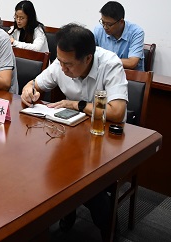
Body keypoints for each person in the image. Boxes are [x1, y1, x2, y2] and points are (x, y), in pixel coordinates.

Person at [20, 23, 128, 239]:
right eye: (60, 62)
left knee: (91, 186)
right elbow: (34, 84)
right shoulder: (62, 62)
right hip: (71, 134)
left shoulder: (110, 64)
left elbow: (117, 112)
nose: (62, 68)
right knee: (45, 169)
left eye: (68, 64)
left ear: (88, 58)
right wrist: (28, 91)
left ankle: (109, 229)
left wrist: (76, 105)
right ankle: (65, 213)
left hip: (103, 139)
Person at [94, 1, 145, 71]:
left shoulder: (136, 32)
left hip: (130, 75)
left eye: (109, 24)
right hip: (105, 73)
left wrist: (104, 60)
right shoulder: (99, 29)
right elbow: (87, 53)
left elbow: (132, 63)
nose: (105, 27)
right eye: (103, 22)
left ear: (121, 22)